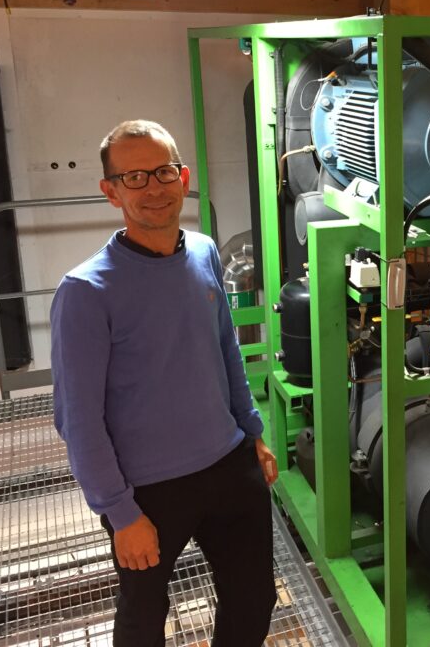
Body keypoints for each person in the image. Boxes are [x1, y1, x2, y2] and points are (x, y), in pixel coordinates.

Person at [51, 119, 278, 646]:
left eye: (163, 172)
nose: (153, 187)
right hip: (147, 491)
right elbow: (78, 419)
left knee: (253, 598)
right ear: (111, 192)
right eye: (133, 177)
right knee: (143, 619)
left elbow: (225, 349)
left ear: (183, 177)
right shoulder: (85, 291)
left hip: (228, 463)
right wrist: (119, 512)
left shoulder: (203, 251)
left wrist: (253, 433)